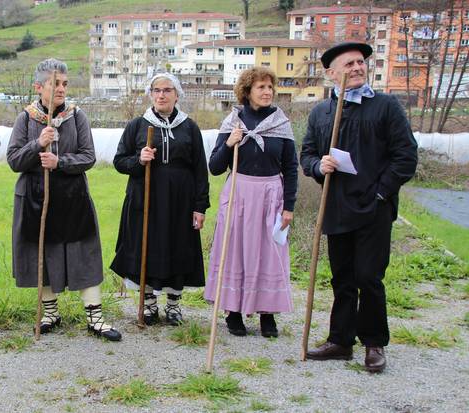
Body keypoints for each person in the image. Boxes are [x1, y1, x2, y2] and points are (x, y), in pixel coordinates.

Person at [301, 42, 418, 373]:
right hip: (336, 206)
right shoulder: (322, 112)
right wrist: (316, 166)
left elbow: (406, 155)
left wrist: (382, 192)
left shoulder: (384, 106)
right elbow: (307, 152)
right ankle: (340, 341)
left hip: (374, 208)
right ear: (331, 73)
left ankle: (374, 342)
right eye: (348, 64)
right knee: (343, 277)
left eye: (360, 62)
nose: (356, 67)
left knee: (369, 277)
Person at [7, 58, 121, 341]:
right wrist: (37, 144)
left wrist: (59, 162)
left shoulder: (76, 116)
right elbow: (13, 160)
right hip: (35, 198)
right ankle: (50, 313)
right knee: (42, 254)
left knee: (83, 253)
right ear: (39, 87)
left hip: (72, 198)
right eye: (55, 84)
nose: (61, 89)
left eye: (64, 84)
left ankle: (95, 317)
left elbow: (88, 156)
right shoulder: (26, 118)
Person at [204, 67, 298, 338]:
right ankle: (233, 312)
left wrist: (288, 206)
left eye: (270, 87)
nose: (267, 92)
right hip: (239, 193)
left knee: (270, 254)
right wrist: (230, 144)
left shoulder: (281, 123)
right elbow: (215, 167)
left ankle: (267, 314)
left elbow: (291, 168)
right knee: (234, 250)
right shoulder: (233, 122)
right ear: (247, 92)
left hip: (271, 195)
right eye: (261, 87)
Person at [111, 73, 210, 326]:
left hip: (179, 203)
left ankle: (174, 306)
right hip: (144, 202)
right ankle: (149, 305)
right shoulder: (137, 125)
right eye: (156, 90)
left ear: (177, 95)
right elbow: (119, 162)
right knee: (146, 248)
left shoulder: (190, 128)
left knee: (177, 248)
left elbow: (200, 169)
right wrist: (139, 160)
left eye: (167, 90)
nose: (161, 95)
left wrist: (200, 206)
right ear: (151, 94)